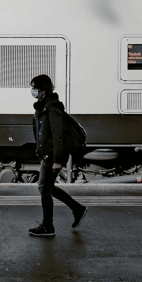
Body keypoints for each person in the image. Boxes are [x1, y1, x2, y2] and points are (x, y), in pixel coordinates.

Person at [28, 74, 88, 237]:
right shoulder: (43, 106)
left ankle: (48, 226)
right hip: (47, 154)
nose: (32, 90)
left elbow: (58, 135)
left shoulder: (53, 107)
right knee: (48, 188)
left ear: (43, 89)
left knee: (44, 188)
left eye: (35, 87)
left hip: (51, 155)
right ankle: (77, 209)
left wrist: (57, 160)